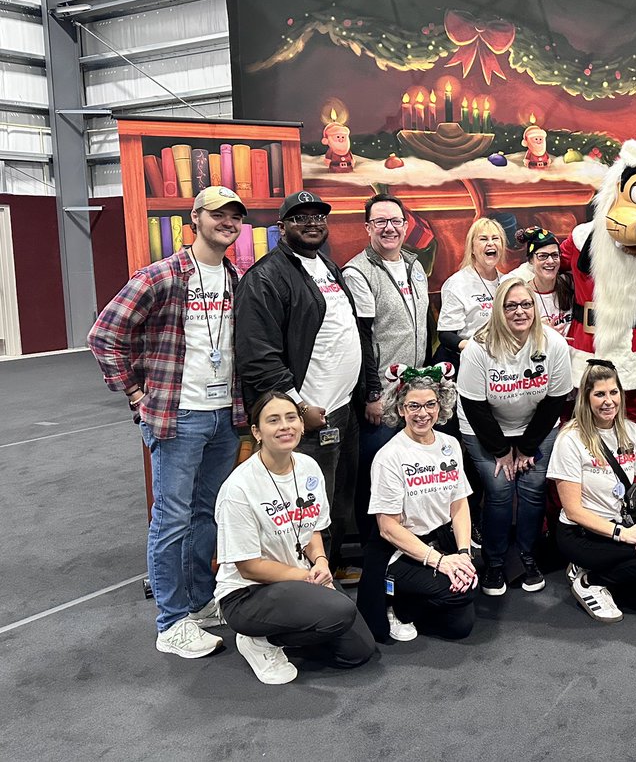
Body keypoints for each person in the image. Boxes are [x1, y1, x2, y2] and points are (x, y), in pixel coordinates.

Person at [87, 185, 247, 658]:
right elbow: (104, 334)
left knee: (207, 515)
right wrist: (136, 394)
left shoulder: (237, 278)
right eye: (218, 214)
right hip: (178, 415)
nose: (229, 223)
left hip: (223, 415)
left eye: (235, 216)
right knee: (171, 520)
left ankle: (199, 604)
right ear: (194, 219)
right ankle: (171, 621)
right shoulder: (160, 276)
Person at [234, 190, 369, 580]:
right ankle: (308, 585)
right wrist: (297, 409)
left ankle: (333, 569)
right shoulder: (264, 278)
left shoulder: (325, 266)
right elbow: (258, 355)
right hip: (308, 418)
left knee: (338, 502)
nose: (312, 223)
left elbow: (349, 332)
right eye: (299, 218)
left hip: (343, 409)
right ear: (281, 228)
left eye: (318, 217)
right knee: (308, 507)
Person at [214, 392, 376, 684]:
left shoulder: (308, 467)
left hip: (301, 576)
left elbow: (312, 527)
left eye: (291, 418)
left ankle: (281, 633)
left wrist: (322, 561)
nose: (285, 426)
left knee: (358, 651)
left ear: (302, 425)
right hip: (248, 592)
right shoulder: (238, 488)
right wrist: (303, 577)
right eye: (273, 420)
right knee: (340, 610)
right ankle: (259, 640)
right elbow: (249, 566)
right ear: (256, 432)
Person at [457, 278, 572, 595]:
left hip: (535, 427)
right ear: (498, 310)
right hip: (484, 429)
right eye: (511, 305)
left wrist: (525, 448)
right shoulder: (480, 348)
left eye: (526, 304)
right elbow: (474, 405)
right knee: (499, 490)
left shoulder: (553, 344)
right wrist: (501, 451)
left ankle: (527, 555)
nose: (520, 311)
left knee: (533, 489)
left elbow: (555, 401)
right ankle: (494, 563)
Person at [358, 365, 478, 642]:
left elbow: (459, 505)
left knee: (461, 626)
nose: (422, 413)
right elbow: (387, 528)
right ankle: (397, 604)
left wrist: (463, 554)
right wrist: (441, 563)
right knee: (455, 591)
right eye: (413, 405)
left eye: (429, 404)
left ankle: (419, 599)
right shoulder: (389, 456)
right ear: (401, 409)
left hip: (442, 541)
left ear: (440, 405)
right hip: (399, 549)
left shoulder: (450, 444)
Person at [548, 360, 636, 622]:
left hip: (621, 526)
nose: (608, 401)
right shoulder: (570, 438)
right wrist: (625, 535)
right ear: (586, 398)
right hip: (582, 534)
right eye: (600, 394)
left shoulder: (632, 431)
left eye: (613, 392)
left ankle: (601, 571)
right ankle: (589, 580)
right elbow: (572, 510)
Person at [342, 194, 431, 557]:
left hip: (414, 392)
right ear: (367, 228)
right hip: (381, 397)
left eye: (395, 220)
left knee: (409, 475)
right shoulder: (358, 272)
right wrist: (372, 393)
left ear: (405, 225)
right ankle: (374, 555)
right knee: (375, 479)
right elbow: (361, 338)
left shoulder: (414, 265)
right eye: (380, 222)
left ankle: (408, 550)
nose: (389, 228)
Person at [436, 216, 506, 365]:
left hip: (500, 362)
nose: (490, 243)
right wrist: (473, 349)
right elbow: (446, 334)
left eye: (495, 238)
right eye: (483, 239)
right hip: (465, 361)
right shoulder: (457, 284)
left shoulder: (508, 282)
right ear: (472, 248)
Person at [506, 226, 572, 337]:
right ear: (531, 260)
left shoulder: (569, 284)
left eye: (555, 255)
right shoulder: (522, 295)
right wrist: (538, 332)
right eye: (543, 256)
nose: (550, 261)